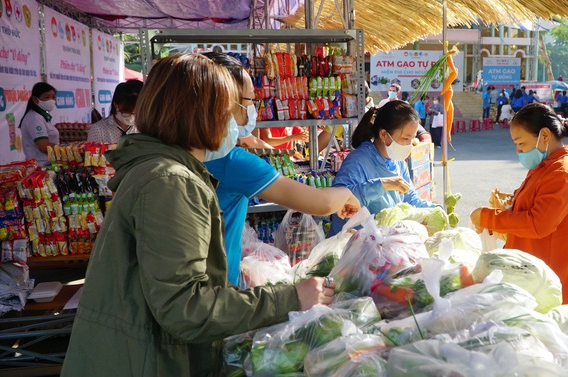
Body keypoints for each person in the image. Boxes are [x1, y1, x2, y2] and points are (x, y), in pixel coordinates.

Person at [62, 54, 334, 376]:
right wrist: (289, 298)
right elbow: (186, 307)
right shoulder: (170, 181)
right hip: (145, 360)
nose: (235, 121)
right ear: (202, 114)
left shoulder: (159, 170)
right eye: (230, 109)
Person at [202, 53, 360, 286]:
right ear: (226, 103)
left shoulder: (183, 150)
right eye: (249, 101)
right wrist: (346, 195)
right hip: (218, 287)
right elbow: (320, 203)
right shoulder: (230, 161)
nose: (253, 109)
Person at [469, 103, 568, 305]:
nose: (518, 150)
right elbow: (535, 204)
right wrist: (511, 205)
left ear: (544, 135)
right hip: (531, 273)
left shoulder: (563, 172)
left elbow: (538, 223)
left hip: (546, 282)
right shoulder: (546, 166)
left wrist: (487, 217)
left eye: (521, 143)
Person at [328, 100, 437, 235]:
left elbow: (410, 199)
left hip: (381, 244)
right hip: (350, 244)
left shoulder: (398, 162)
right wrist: (382, 184)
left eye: (412, 139)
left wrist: (435, 210)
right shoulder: (357, 161)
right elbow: (337, 199)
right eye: (405, 138)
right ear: (384, 134)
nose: (409, 145)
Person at [19, 82, 59, 165]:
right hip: (41, 165)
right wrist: (66, 149)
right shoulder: (35, 118)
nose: (51, 100)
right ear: (35, 99)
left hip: (47, 163)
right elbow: (44, 146)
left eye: (53, 97)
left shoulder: (41, 116)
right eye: (47, 97)